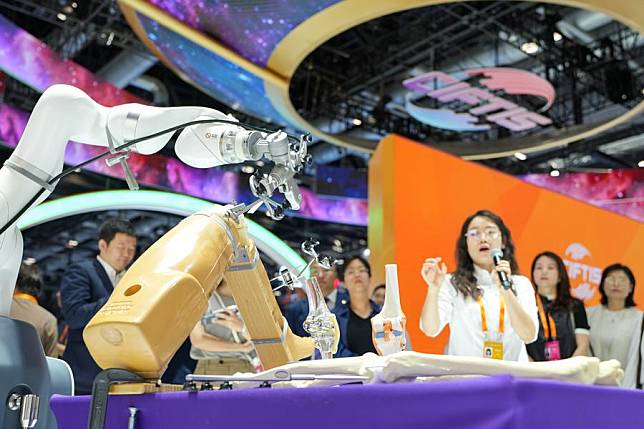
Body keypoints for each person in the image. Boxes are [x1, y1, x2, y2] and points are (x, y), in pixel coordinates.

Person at [419, 209, 538, 361]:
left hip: (511, 378)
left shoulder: (521, 284)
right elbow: (430, 329)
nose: (483, 239)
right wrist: (433, 289)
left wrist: (506, 290)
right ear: (466, 244)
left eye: (490, 232)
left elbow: (529, 335)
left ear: (503, 241)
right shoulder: (451, 283)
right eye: (474, 233)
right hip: (467, 380)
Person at [60, 218, 137, 394]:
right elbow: (74, 315)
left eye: (131, 249)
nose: (126, 254)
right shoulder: (81, 271)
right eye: (121, 247)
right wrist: (118, 299)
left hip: (121, 376)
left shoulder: (132, 278)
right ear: (103, 245)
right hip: (85, 375)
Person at [526, 251, 590, 361]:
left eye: (550, 268)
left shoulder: (575, 306)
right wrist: (534, 370)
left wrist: (567, 371)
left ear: (560, 275)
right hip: (534, 373)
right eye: (539, 268)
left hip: (569, 372)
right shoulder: (525, 304)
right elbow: (520, 346)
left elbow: (583, 346)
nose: (544, 272)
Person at [190, 281, 257, 375]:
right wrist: (240, 348)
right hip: (210, 367)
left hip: (245, 368)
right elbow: (198, 340)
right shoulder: (203, 296)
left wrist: (242, 328)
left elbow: (261, 341)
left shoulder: (254, 300)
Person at [587, 264, 641, 370]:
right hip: (592, 379)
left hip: (627, 381)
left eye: (622, 279)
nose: (616, 284)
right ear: (602, 284)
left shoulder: (640, 318)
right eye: (611, 279)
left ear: (630, 287)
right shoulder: (588, 314)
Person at [285, 260, 348, 338]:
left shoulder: (351, 302)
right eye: (315, 271)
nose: (320, 275)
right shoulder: (295, 310)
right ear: (309, 276)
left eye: (326, 270)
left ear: (336, 274)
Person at [335, 255, 381, 357]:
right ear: (344, 282)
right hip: (349, 371)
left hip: (384, 370)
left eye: (362, 270)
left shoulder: (383, 314)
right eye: (351, 272)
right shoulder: (335, 317)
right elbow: (335, 350)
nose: (357, 274)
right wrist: (363, 362)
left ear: (369, 277)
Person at [10, 262, 59, 357]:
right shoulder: (49, 320)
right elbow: (51, 363)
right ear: (39, 291)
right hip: (29, 371)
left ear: (14, 284)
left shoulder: (3, 306)